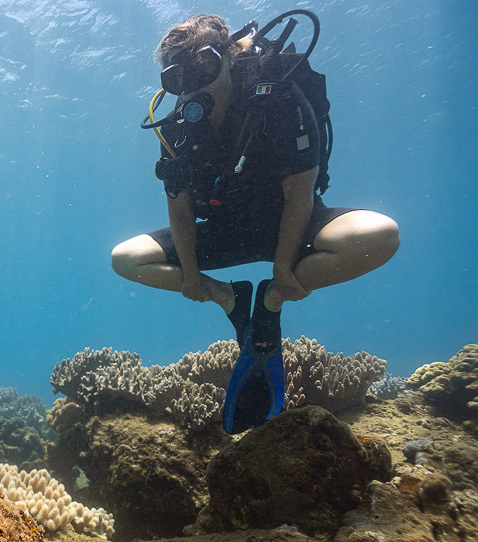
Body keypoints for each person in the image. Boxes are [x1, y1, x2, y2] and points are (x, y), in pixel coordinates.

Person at [110, 13, 399, 433]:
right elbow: (180, 210)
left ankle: (270, 301)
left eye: (204, 67)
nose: (194, 85)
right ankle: (233, 299)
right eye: (178, 77)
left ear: (229, 56)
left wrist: (283, 274)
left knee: (381, 235)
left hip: (292, 224)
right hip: (225, 230)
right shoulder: (178, 127)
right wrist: (194, 279)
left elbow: (300, 194)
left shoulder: (279, 101)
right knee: (125, 258)